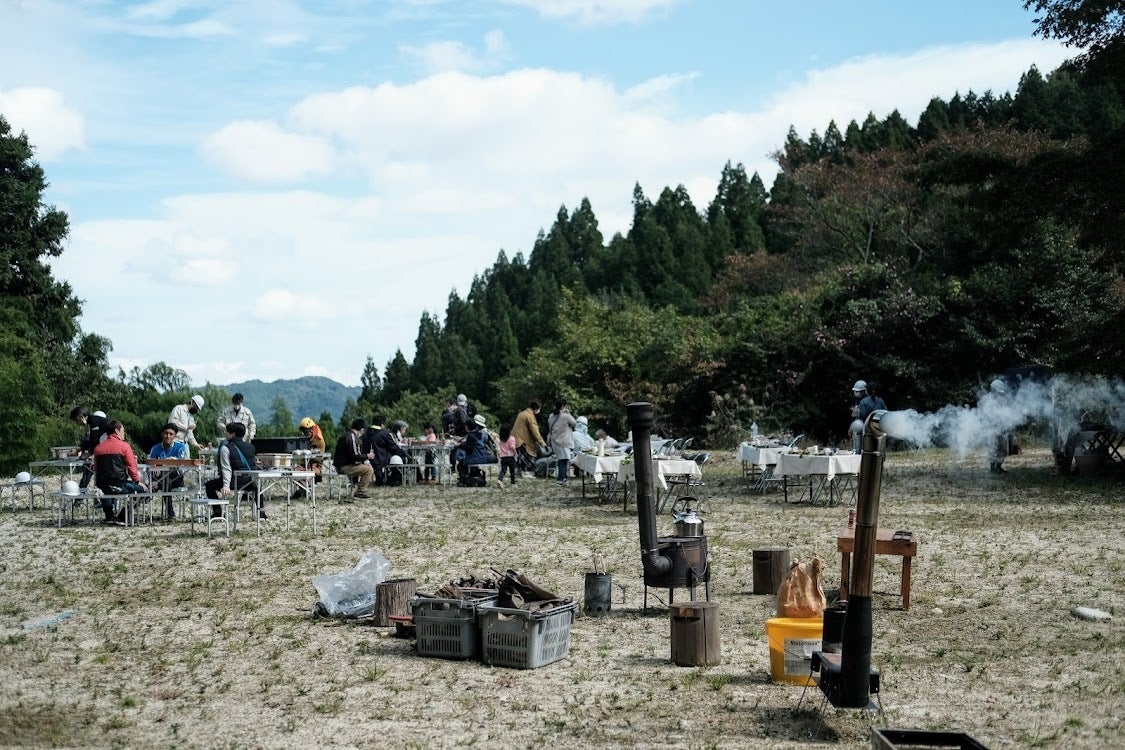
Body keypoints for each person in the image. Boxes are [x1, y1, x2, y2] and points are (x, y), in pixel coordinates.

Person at [92, 420, 149, 524]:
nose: (124, 433)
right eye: (123, 431)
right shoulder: (124, 446)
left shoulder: (98, 448)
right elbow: (132, 467)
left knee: (105, 489)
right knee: (144, 490)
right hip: (120, 485)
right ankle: (123, 516)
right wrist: (137, 481)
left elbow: (96, 468)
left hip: (102, 485)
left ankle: (109, 516)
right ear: (117, 430)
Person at [204, 422, 263, 518]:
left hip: (233, 481)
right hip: (248, 481)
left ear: (233, 434)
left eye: (227, 432)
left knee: (209, 485)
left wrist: (226, 485)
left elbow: (226, 468)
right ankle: (261, 511)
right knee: (257, 487)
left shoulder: (225, 448)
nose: (225, 434)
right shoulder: (251, 447)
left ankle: (217, 511)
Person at [148, 422, 188, 520]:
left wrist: (161, 464)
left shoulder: (180, 447)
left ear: (175, 436)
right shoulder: (155, 449)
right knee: (166, 480)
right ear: (162, 434)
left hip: (176, 478)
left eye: (171, 434)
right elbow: (151, 464)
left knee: (166, 474)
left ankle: (170, 511)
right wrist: (157, 465)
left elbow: (178, 464)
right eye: (166, 433)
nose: (168, 436)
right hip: (162, 480)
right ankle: (170, 512)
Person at [70, 406, 110, 489]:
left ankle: (83, 493)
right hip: (104, 451)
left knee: (102, 479)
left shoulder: (94, 422)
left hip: (109, 452)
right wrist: (79, 450)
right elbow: (91, 440)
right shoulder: (92, 422)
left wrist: (87, 455)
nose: (77, 424)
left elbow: (95, 442)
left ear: (81, 417)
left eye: (76, 421)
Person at [333, 418, 373, 499]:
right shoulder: (351, 437)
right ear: (361, 430)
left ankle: (359, 489)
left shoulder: (346, 434)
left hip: (340, 465)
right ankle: (361, 491)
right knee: (369, 470)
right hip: (344, 467)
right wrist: (367, 456)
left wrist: (362, 461)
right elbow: (355, 456)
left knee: (366, 467)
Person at [456, 414, 496, 486]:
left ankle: (464, 480)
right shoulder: (483, 434)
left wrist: (459, 445)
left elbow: (468, 448)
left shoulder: (471, 435)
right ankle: (473, 476)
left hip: (474, 458)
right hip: (483, 457)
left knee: (460, 463)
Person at [849, 380, 887, 453]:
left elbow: (862, 416)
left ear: (866, 391)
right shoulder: (880, 400)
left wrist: (856, 413)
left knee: (862, 448)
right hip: (878, 428)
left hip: (867, 429)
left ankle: (858, 454)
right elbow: (885, 413)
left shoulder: (863, 402)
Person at [512, 400, 547, 476]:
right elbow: (535, 431)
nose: (539, 411)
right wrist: (542, 442)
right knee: (529, 457)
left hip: (516, 439)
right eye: (539, 409)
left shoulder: (522, 413)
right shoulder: (530, 416)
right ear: (536, 408)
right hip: (523, 440)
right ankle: (527, 472)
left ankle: (519, 471)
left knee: (520, 458)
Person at [547, 398, 577, 486]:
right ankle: (560, 479)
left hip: (555, 441)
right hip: (564, 442)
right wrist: (568, 413)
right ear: (563, 406)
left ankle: (563, 478)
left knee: (562, 459)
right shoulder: (565, 416)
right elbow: (574, 423)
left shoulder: (551, 416)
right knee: (563, 460)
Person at [988, 378, 1013, 474]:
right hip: (992, 428)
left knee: (1002, 448)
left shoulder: (1003, 399)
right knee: (993, 448)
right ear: (993, 389)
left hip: (1002, 427)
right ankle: (992, 468)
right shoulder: (988, 400)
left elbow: (1007, 412)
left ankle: (998, 467)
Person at [495, 423, 518, 488]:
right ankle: (513, 483)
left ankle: (499, 480)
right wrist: (515, 453)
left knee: (503, 470)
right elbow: (512, 447)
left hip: (503, 457)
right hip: (511, 457)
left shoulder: (501, 440)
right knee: (512, 471)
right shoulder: (511, 438)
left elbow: (498, 448)